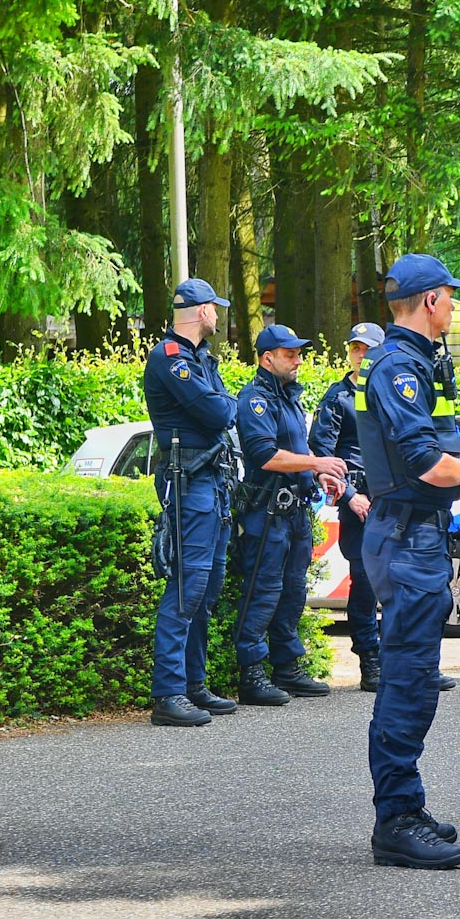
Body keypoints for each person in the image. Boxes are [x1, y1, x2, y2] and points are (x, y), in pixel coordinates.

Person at [351, 255, 460, 869]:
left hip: (416, 533)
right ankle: (396, 820)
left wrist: (452, 475)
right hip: (408, 538)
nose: (455, 307)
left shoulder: (413, 362)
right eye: (450, 297)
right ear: (431, 300)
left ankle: (406, 803)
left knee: (415, 679)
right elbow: (427, 463)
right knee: (408, 681)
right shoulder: (399, 368)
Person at [234, 323, 349, 706]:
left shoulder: (288, 399)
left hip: (296, 510)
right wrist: (316, 460)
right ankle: (251, 675)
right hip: (267, 513)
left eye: (299, 353)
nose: (298, 360)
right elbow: (265, 455)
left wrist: (318, 472)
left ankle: (287, 668)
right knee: (263, 592)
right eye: (290, 354)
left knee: (292, 593)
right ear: (267, 359)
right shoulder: (255, 400)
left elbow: (296, 451)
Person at [143, 277, 241, 727]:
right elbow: (222, 412)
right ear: (201, 312)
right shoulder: (169, 358)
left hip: (213, 483)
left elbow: (226, 408)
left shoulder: (201, 358)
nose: (218, 315)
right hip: (190, 484)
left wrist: (223, 403)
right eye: (215, 308)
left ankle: (193, 685)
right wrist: (223, 403)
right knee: (186, 588)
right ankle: (168, 694)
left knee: (206, 588)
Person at [310, 322, 385, 693]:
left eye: (368, 349)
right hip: (359, 503)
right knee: (366, 585)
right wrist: (351, 495)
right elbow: (321, 456)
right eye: (356, 348)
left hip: (391, 499)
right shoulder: (337, 398)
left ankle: (410, 663)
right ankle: (370, 662)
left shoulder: (390, 394)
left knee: (405, 583)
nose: (362, 355)